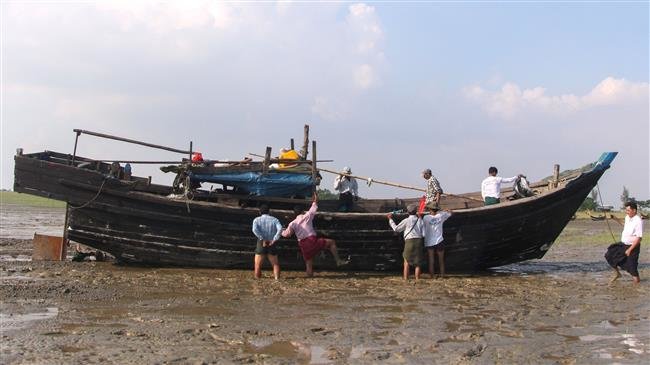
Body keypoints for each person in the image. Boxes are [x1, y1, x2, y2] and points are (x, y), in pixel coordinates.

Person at [281, 192, 349, 277]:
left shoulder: (292, 223)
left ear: (295, 214)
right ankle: (338, 261)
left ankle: (310, 277)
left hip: (303, 245)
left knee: (309, 264)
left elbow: (287, 234)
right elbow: (315, 205)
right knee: (331, 242)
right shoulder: (307, 216)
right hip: (312, 240)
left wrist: (280, 230)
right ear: (302, 211)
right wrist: (315, 197)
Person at [605, 201, 643, 284]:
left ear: (634, 210)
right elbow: (624, 224)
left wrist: (629, 250)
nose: (627, 212)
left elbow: (639, 238)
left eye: (628, 210)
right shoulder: (627, 217)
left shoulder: (638, 221)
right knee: (609, 254)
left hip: (633, 247)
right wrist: (615, 219)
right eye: (626, 210)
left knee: (633, 270)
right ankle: (617, 273)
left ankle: (637, 286)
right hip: (622, 244)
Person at [387, 204, 425, 280]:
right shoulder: (420, 220)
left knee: (406, 261)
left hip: (409, 241)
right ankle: (417, 279)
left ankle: (406, 279)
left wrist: (390, 219)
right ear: (416, 211)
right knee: (417, 263)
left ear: (408, 212)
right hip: (418, 241)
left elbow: (396, 229)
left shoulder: (406, 220)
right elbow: (424, 234)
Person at [421, 203, 452, 278]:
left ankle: (432, 276)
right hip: (439, 241)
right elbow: (451, 213)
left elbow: (422, 225)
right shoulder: (441, 215)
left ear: (430, 209)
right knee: (441, 260)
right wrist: (445, 210)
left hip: (429, 241)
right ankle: (442, 275)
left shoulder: (426, 217)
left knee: (431, 260)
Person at [251, 204, 283, 280]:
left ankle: (257, 282)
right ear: (269, 211)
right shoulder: (275, 220)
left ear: (259, 212)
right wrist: (274, 239)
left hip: (261, 242)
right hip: (272, 242)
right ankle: (277, 280)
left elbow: (254, 230)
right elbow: (280, 229)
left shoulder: (256, 219)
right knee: (275, 264)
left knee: (257, 265)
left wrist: (262, 238)